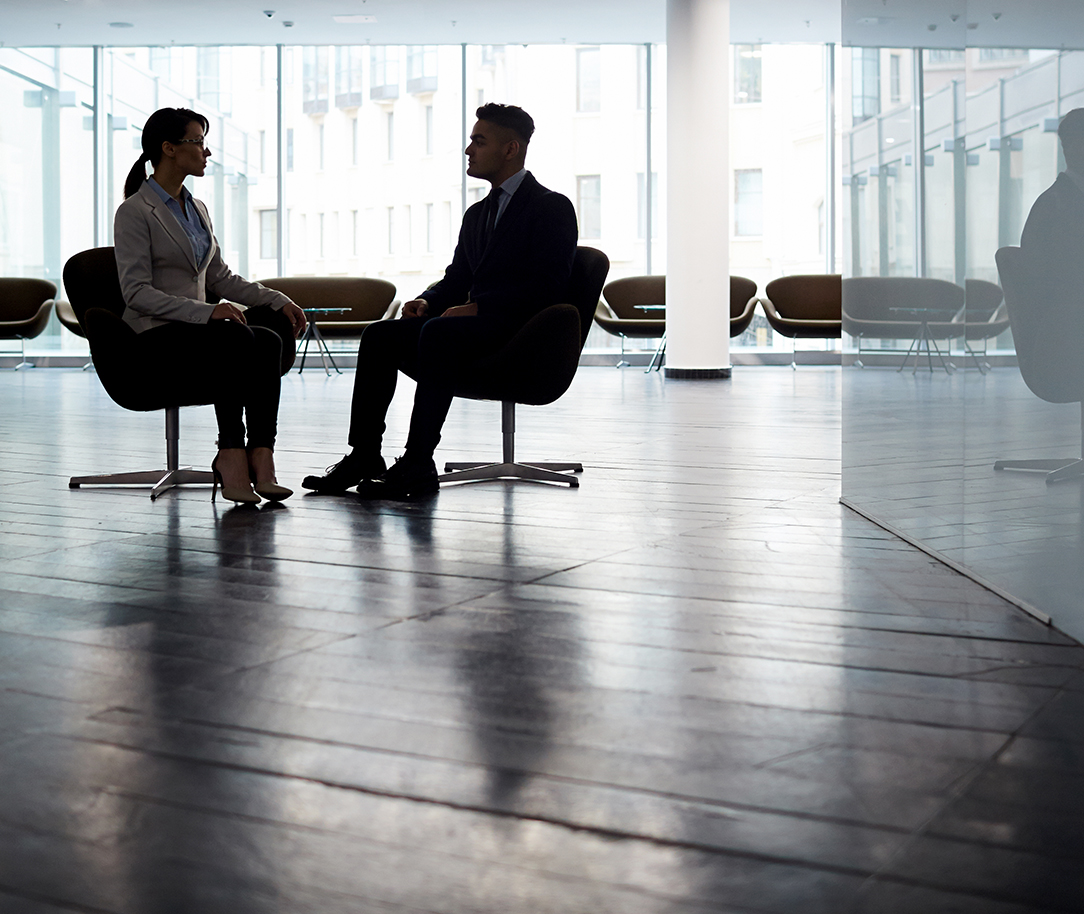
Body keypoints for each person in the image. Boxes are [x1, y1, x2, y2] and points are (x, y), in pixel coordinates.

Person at [303, 103, 578, 498]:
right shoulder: (478, 214)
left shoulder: (551, 206)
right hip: (474, 325)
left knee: (439, 335)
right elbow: (458, 279)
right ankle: (364, 455)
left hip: (520, 330)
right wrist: (427, 301)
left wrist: (481, 307)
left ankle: (417, 462)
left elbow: (548, 287)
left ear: (510, 149)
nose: (469, 150)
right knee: (380, 336)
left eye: (478, 141)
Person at [115, 107, 307, 505]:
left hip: (196, 331)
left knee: (269, 339)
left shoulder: (196, 208)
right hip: (153, 333)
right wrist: (207, 312)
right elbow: (135, 292)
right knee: (231, 338)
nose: (207, 151)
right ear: (169, 149)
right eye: (198, 141)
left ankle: (261, 455)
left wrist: (278, 298)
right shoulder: (134, 211)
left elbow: (219, 277)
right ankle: (230, 455)